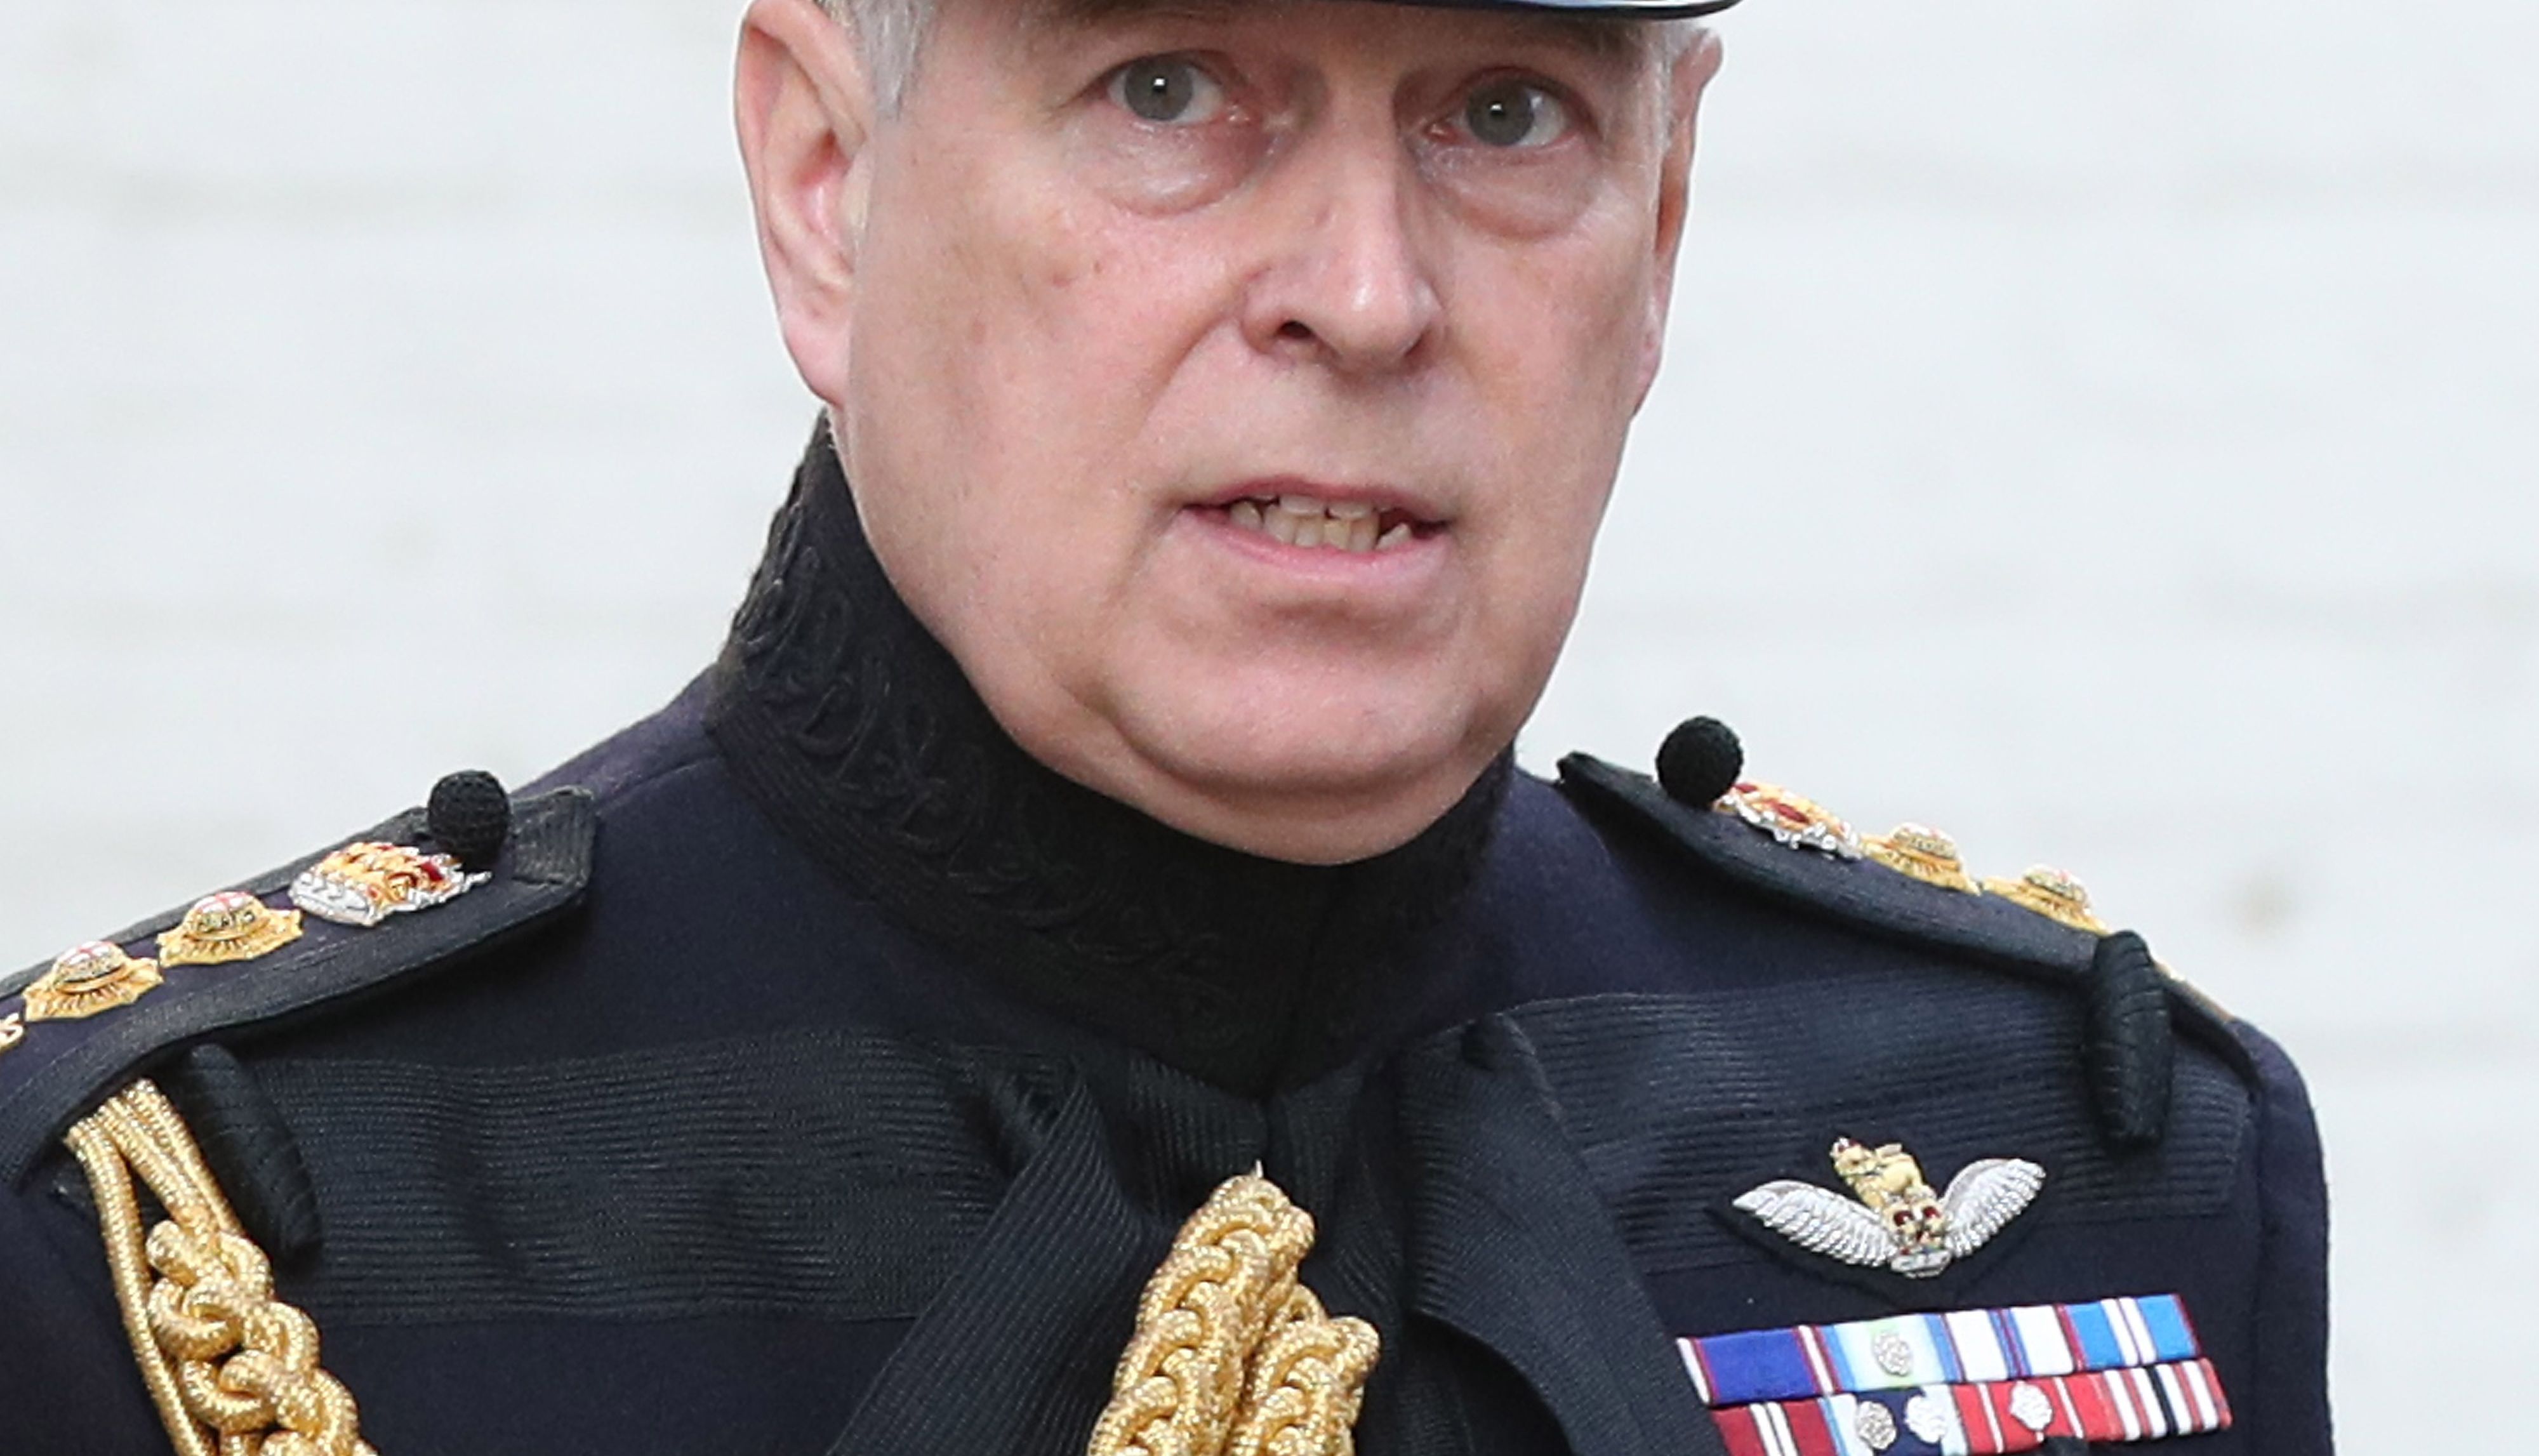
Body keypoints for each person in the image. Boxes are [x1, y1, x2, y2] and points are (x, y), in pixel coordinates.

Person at [0, 0, 2330, 1452]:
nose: (1367, 295)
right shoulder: (214, 1233)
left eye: (1505, 111)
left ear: (1666, 224)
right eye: (1171, 89)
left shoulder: (2083, 1161)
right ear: (827, 187)